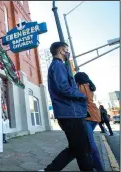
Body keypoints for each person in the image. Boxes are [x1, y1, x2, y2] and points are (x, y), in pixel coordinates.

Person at [43, 42, 93, 171]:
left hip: (70, 113)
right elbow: (64, 88)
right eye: (66, 50)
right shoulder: (58, 66)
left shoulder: (59, 66)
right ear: (61, 51)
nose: (67, 53)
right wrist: (82, 96)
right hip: (70, 114)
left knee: (78, 148)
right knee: (82, 149)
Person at [74, 72, 104, 171]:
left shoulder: (81, 86)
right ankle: (93, 164)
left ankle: (100, 168)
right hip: (95, 115)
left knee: (91, 144)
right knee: (87, 141)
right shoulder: (90, 85)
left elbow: (76, 97)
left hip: (87, 117)